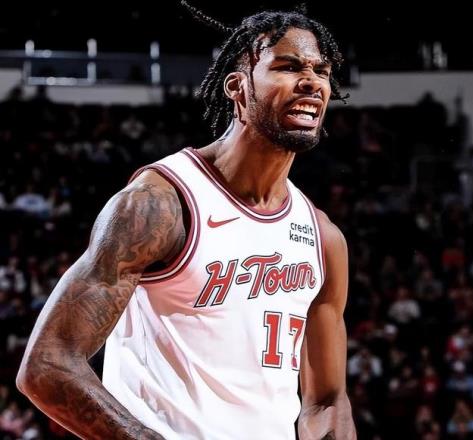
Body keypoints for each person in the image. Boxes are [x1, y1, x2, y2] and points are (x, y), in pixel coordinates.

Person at [16, 3, 356, 439]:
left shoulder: (323, 238)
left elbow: (327, 401)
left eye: (321, 71)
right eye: (288, 67)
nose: (311, 82)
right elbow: (48, 365)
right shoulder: (160, 204)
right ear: (238, 87)